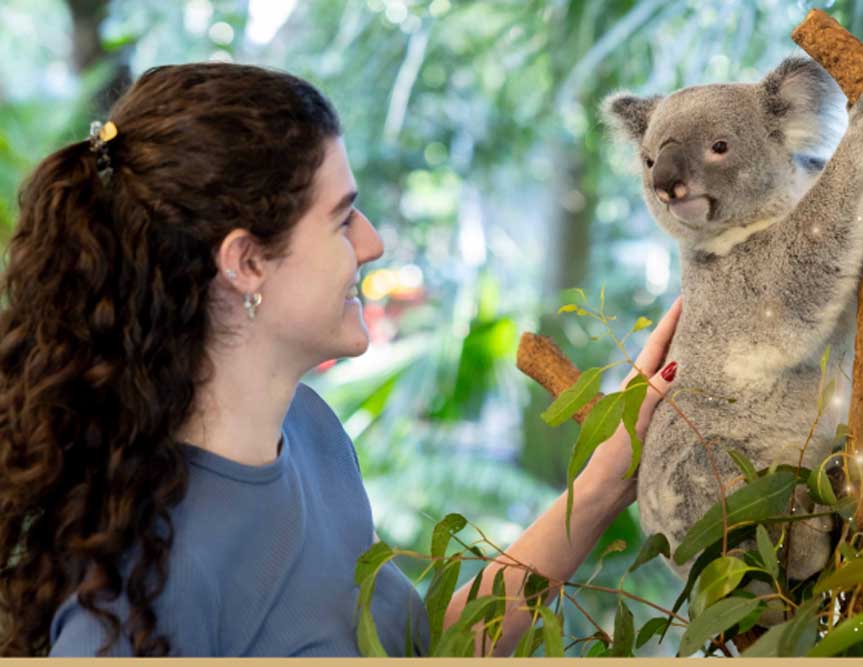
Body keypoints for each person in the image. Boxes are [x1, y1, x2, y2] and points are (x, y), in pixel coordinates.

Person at [0, 62, 681, 657]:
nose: (374, 241)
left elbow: (417, 646)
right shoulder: (141, 585)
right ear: (245, 262)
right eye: (342, 217)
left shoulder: (309, 430)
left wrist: (602, 483)